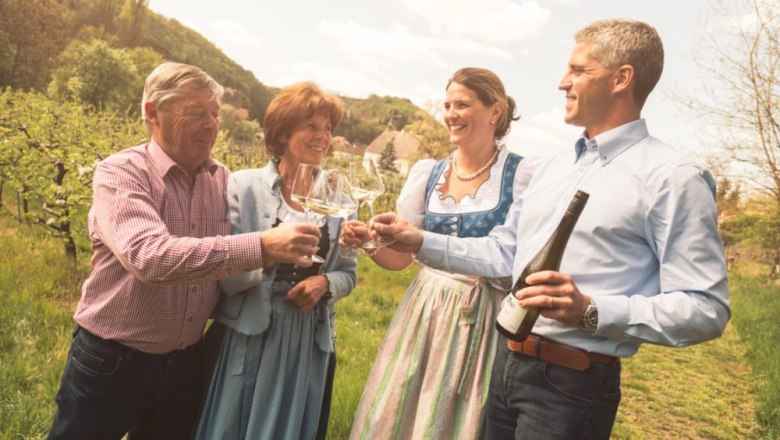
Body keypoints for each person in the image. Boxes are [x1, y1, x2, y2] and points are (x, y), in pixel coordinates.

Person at [371, 19, 730, 440]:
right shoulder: (553, 168)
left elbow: (707, 308)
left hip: (573, 385)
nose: (563, 82)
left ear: (622, 78)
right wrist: (420, 241)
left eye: (579, 70)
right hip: (504, 364)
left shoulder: (673, 178)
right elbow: (504, 254)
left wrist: (592, 311)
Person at [47, 62, 321, 440]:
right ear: (152, 113)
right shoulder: (121, 173)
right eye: (196, 113)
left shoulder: (222, 180)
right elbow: (149, 256)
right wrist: (263, 246)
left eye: (215, 113)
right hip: (114, 359)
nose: (212, 125)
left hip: (187, 362)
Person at [343, 67, 537, 439]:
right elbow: (400, 259)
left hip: (483, 317)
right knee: (403, 406)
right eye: (447, 104)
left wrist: (414, 239)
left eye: (461, 104)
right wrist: (369, 242)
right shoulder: (428, 173)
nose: (449, 113)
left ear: (494, 111)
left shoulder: (522, 175)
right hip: (426, 311)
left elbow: (512, 259)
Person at [194, 81, 356, 440]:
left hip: (306, 339)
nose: (322, 136)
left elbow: (349, 273)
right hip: (250, 334)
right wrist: (268, 255)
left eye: (328, 129)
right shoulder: (244, 186)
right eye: (311, 126)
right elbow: (226, 276)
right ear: (282, 133)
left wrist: (325, 284)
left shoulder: (338, 198)